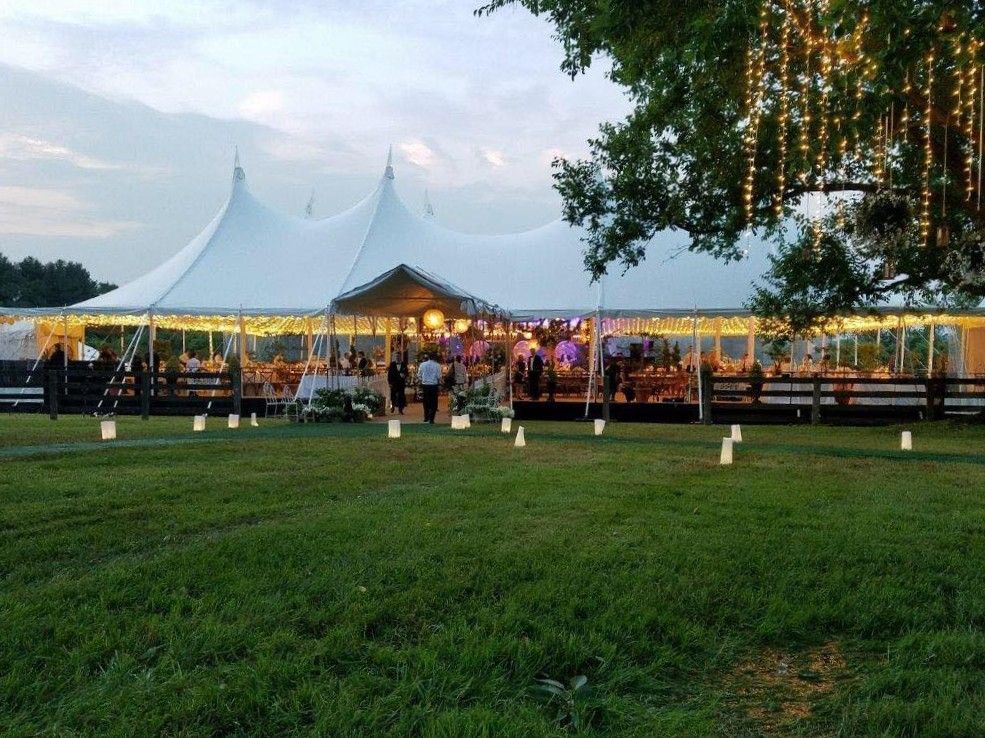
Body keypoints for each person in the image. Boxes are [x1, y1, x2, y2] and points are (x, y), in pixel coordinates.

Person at [418, 352, 442, 423]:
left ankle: (426, 417)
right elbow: (439, 376)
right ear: (434, 358)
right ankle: (431, 418)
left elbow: (419, 375)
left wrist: (423, 379)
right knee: (434, 402)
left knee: (426, 402)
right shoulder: (437, 365)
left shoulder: (422, 365)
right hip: (433, 385)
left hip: (425, 385)